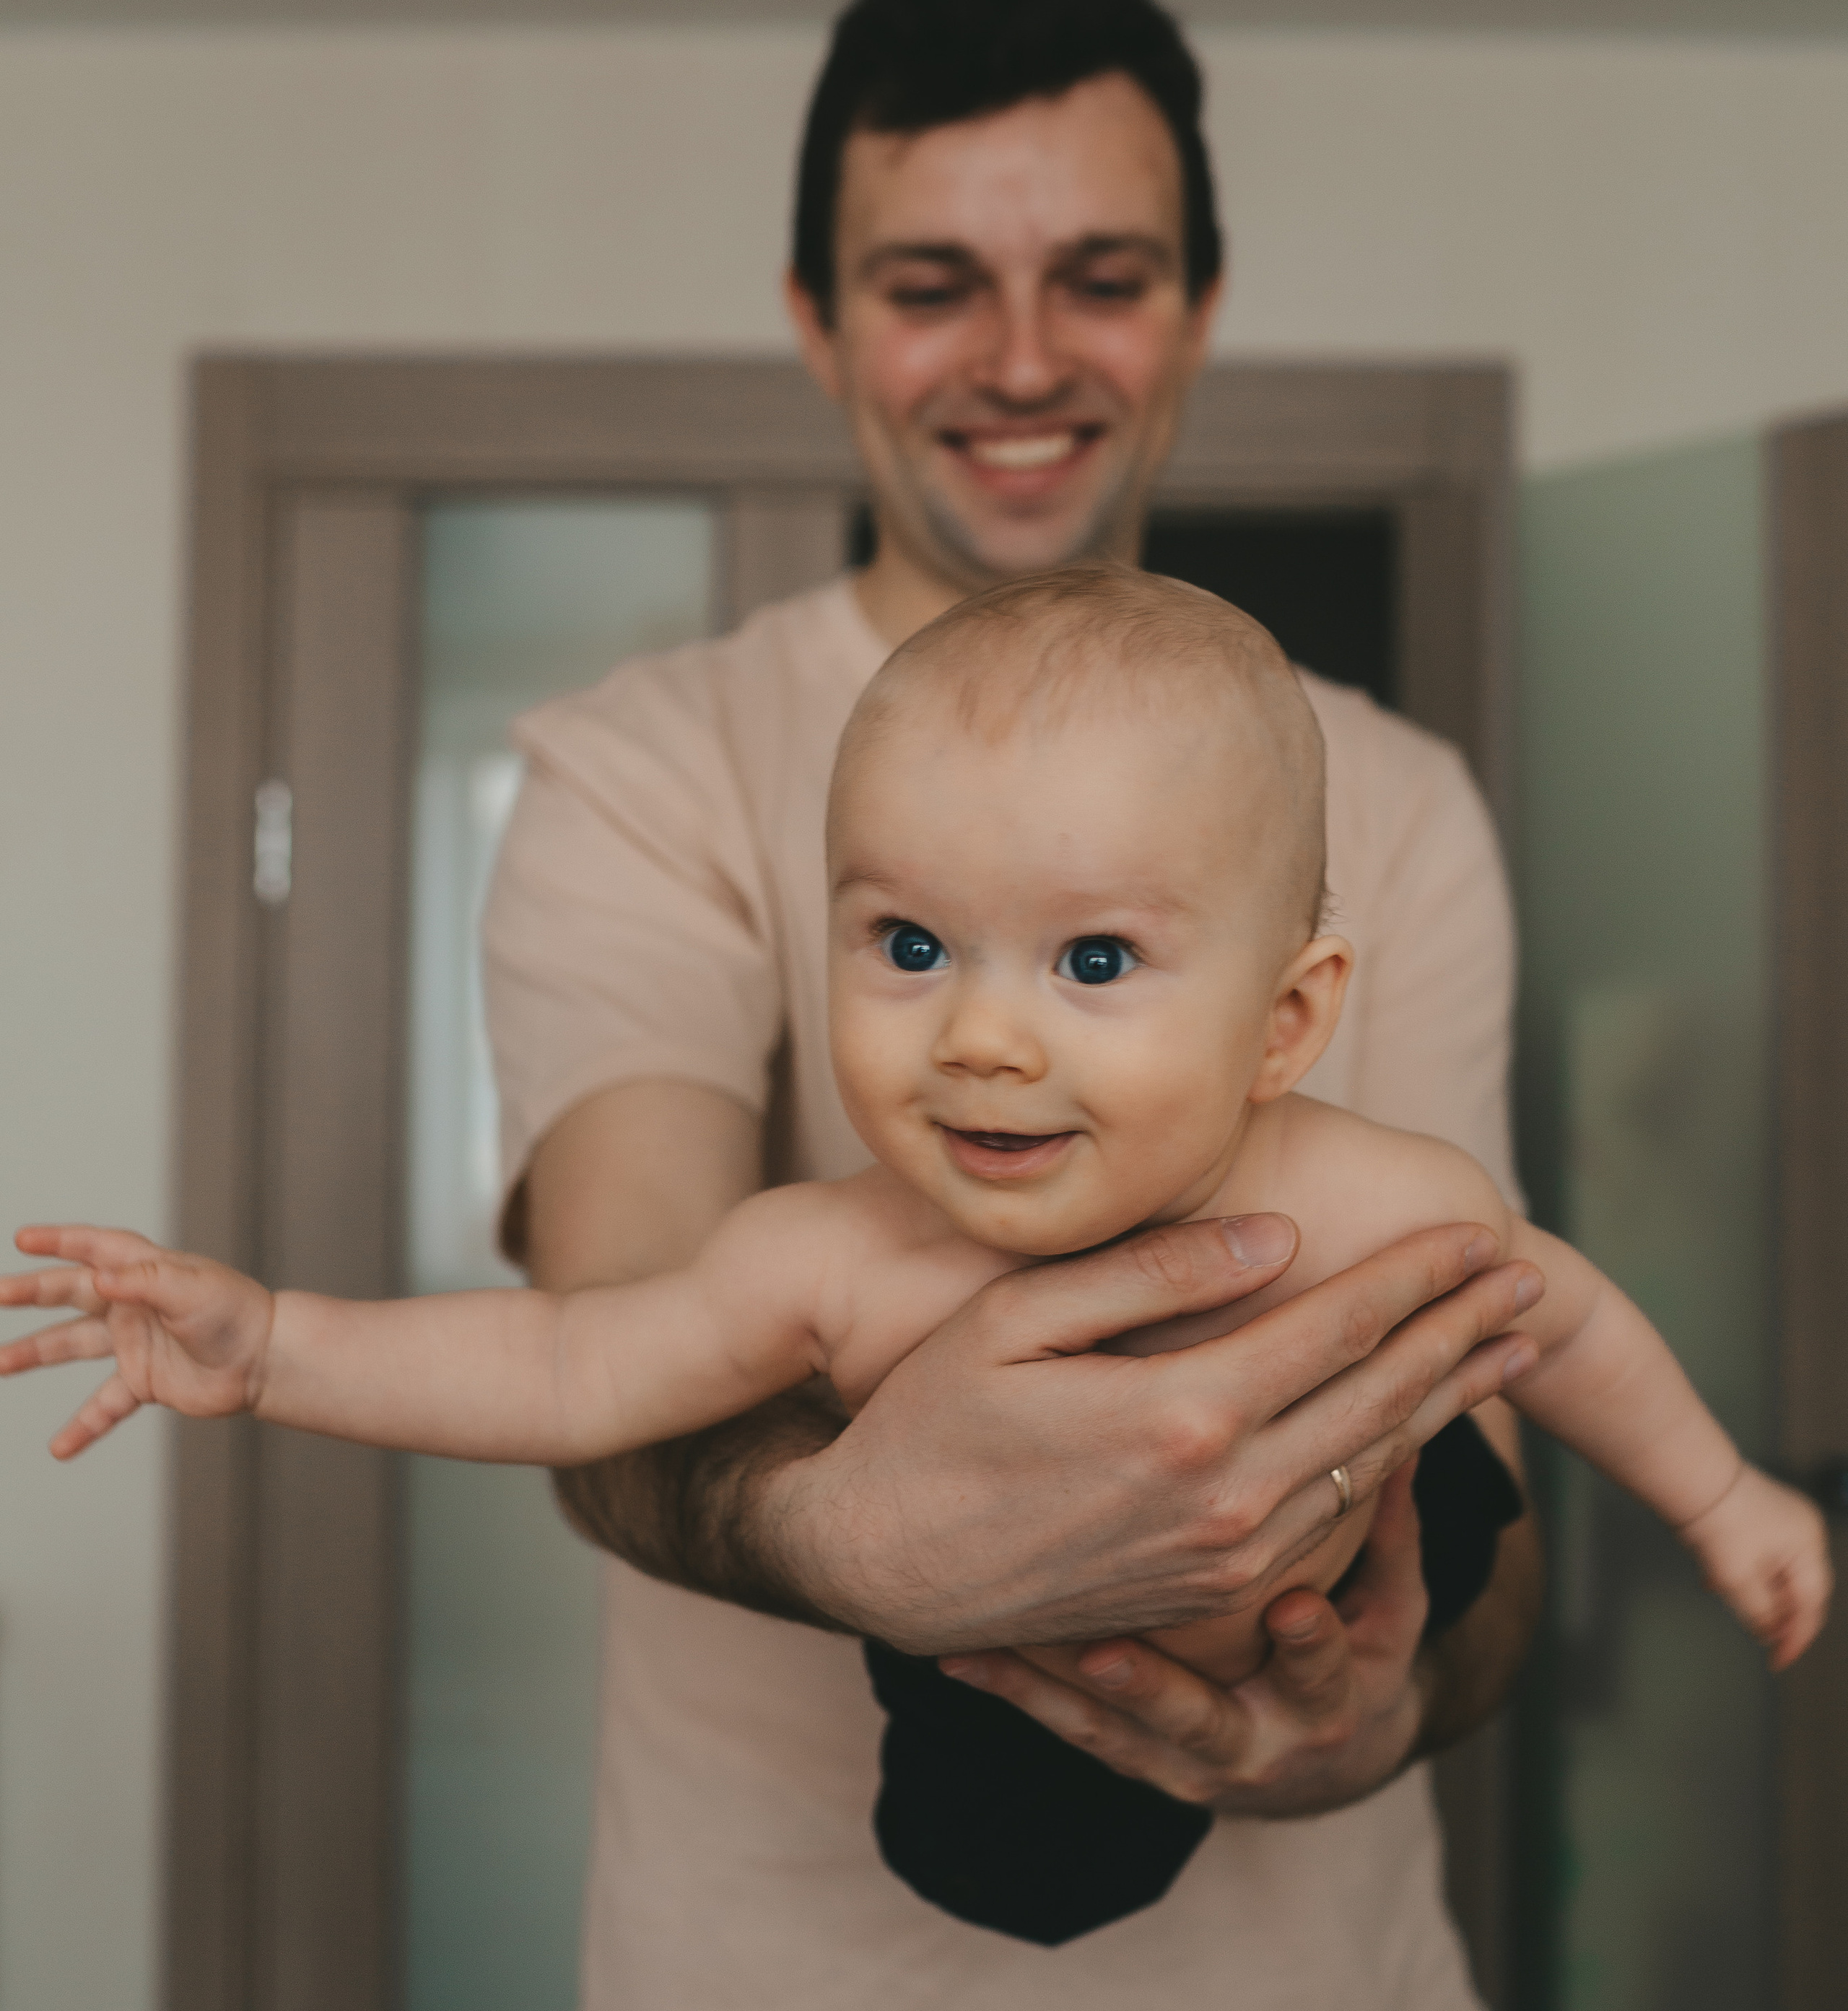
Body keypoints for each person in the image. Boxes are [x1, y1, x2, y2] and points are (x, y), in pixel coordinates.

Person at [470, 0, 1574, 2011]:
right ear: (815, 316)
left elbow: (1491, 1453)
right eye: (931, 279)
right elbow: (625, 1339)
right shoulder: (644, 771)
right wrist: (862, 1543)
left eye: (1103, 271)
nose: (1023, 353)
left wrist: (1392, 1694)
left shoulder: (1385, 808)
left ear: (1194, 313)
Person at [6, 569, 1825, 1790]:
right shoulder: (834, 1257)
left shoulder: (1375, 1200)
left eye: (1091, 964)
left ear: (1286, 1021)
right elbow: (568, 1371)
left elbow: (1557, 1323)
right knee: (970, 1815)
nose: (978, 1039)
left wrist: (1719, 1496)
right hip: (978, 1739)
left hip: (1310, 1708)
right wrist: (269, 1350)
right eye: (906, 945)